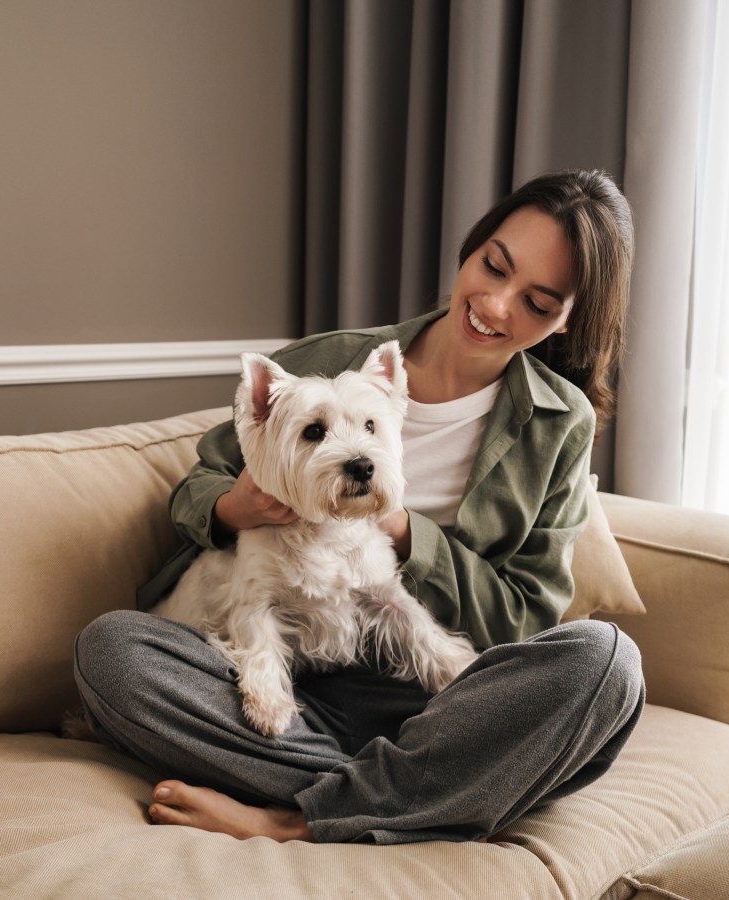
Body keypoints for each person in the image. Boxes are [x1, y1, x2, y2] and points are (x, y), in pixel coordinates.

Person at [73, 169, 645, 844]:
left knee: (606, 664)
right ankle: (421, 789)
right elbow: (199, 486)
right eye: (493, 265)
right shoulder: (334, 359)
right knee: (110, 652)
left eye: (538, 302)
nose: (494, 304)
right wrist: (237, 505)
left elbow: (523, 616)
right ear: (471, 246)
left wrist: (403, 532)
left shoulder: (560, 423)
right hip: (260, 666)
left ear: (569, 321)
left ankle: (297, 815)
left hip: (417, 699)